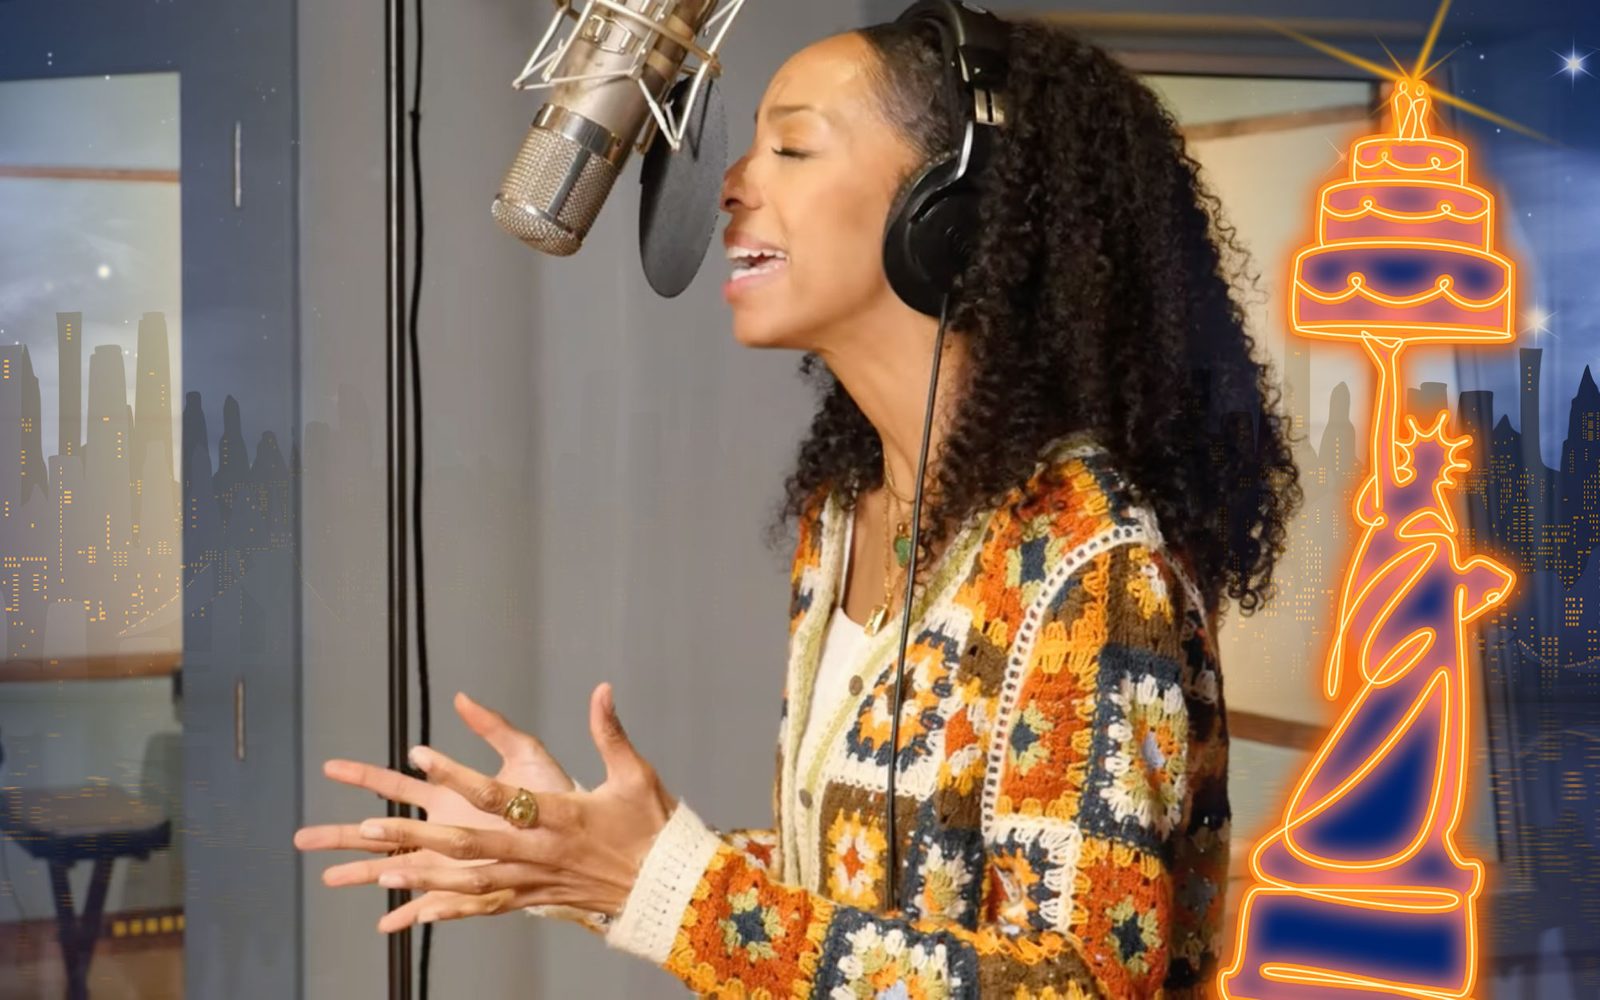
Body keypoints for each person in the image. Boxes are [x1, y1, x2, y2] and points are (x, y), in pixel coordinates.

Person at [294, 6, 1302, 996]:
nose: (732, 184)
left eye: (792, 149)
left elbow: (1077, 983)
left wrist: (669, 884)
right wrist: (578, 855)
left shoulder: (1087, 559)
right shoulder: (846, 511)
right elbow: (870, 884)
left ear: (950, 211)